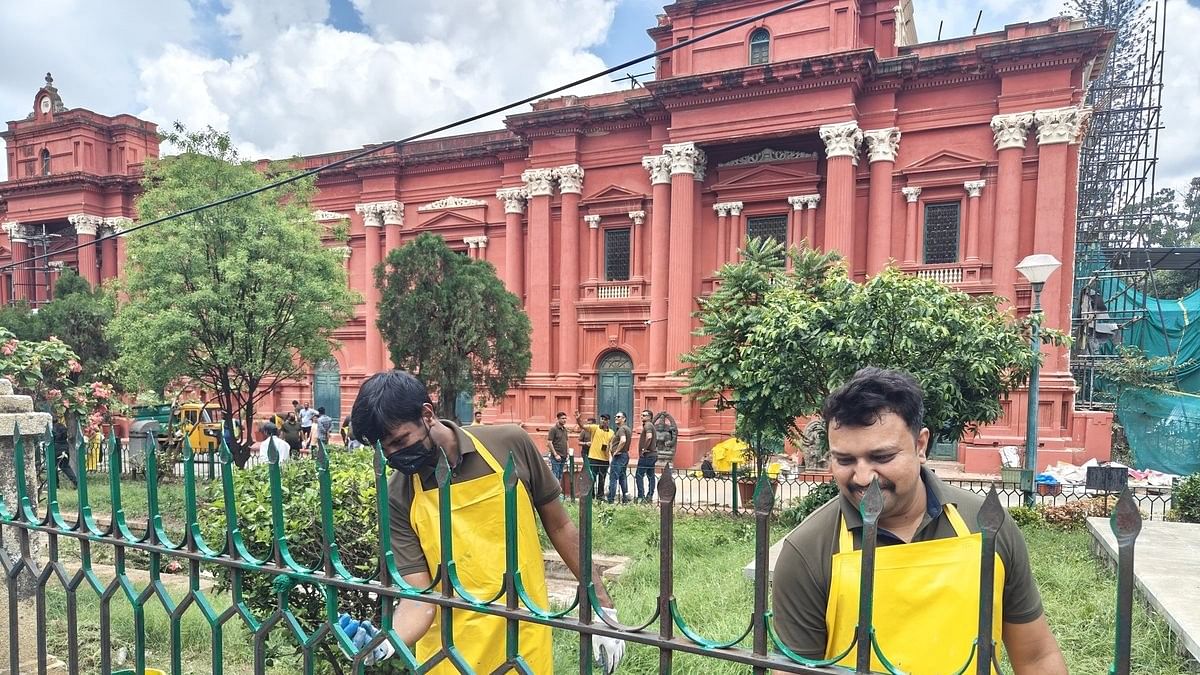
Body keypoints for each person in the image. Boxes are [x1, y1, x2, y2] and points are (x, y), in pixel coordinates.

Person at [770, 367, 1066, 674]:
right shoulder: (808, 551)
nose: (862, 477)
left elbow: (1036, 657)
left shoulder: (986, 525)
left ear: (920, 445)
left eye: (882, 457)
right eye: (844, 460)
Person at [346, 370, 625, 673]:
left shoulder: (508, 445)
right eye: (384, 449)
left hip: (522, 639)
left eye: (400, 441)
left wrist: (602, 607)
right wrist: (385, 641)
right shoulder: (398, 493)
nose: (395, 456)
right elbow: (419, 599)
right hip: (447, 654)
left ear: (427, 415)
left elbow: (560, 527)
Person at [575, 412, 613, 502]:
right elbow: (582, 426)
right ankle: (590, 496)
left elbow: (611, 445)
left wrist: (609, 450)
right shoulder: (594, 428)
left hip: (605, 459)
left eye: (605, 419)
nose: (603, 421)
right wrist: (578, 419)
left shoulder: (611, 432)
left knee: (602, 478)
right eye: (602, 419)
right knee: (592, 478)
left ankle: (600, 496)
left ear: (608, 421)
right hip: (593, 458)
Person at [607, 412, 632, 503]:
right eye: (615, 416)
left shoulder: (621, 429)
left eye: (618, 417)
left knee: (613, 478)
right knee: (622, 477)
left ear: (624, 419)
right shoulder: (627, 429)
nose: (616, 418)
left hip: (619, 456)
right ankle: (625, 498)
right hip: (624, 455)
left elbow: (623, 440)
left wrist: (616, 451)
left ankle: (610, 499)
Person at [634, 409, 657, 503]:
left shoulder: (648, 425)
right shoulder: (650, 425)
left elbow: (649, 437)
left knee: (639, 475)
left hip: (647, 455)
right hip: (652, 455)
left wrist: (644, 449)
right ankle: (649, 495)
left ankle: (641, 496)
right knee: (650, 476)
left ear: (649, 417)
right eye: (641, 415)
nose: (642, 416)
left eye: (644, 415)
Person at [51, 417, 78, 487]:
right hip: (65, 447)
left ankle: (55, 484)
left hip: (56, 448)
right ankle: (76, 482)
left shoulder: (51, 428)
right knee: (65, 466)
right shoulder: (62, 426)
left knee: (53, 467)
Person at [546, 411, 570, 483]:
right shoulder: (553, 429)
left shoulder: (565, 429)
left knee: (560, 474)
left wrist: (568, 452)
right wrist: (555, 454)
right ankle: (555, 492)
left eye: (565, 418)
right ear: (558, 419)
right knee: (555, 474)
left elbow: (566, 441)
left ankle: (559, 491)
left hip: (564, 455)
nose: (564, 420)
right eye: (562, 418)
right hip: (556, 456)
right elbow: (549, 442)